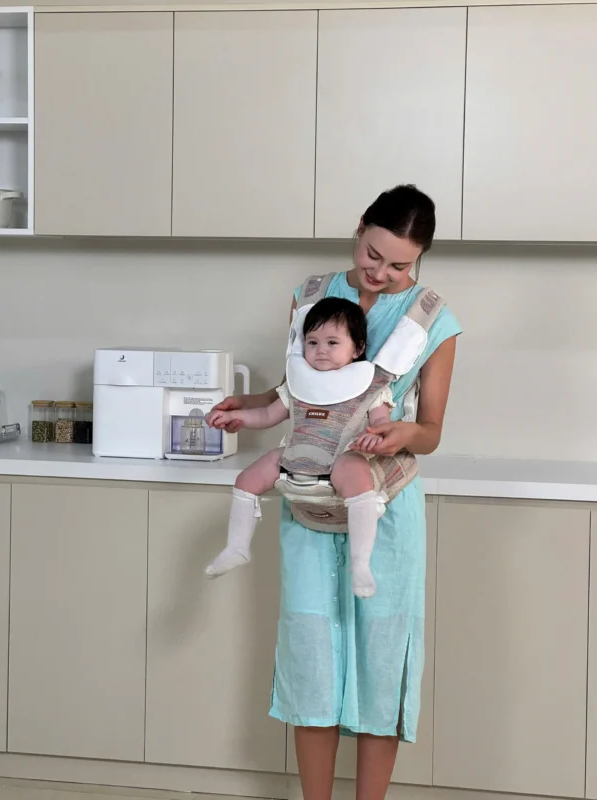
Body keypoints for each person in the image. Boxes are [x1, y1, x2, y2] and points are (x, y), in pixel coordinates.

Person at [210, 184, 462, 800]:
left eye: (400, 264)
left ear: (420, 258)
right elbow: (302, 387)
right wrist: (249, 404)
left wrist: (401, 433)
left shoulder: (433, 319)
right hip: (308, 504)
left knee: (380, 657)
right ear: (359, 229)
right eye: (373, 254)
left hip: (383, 507)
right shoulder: (311, 296)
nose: (381, 273)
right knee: (311, 656)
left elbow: (430, 431)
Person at [205, 296, 394, 598]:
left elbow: (383, 424)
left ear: (357, 348)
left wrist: (375, 437)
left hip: (342, 458)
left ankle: (360, 564)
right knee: (246, 479)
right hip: (296, 455)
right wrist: (236, 417)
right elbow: (268, 415)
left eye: (332, 343)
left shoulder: (369, 386)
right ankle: (237, 546)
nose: (321, 350)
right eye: (312, 342)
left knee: (356, 470)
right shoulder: (298, 383)